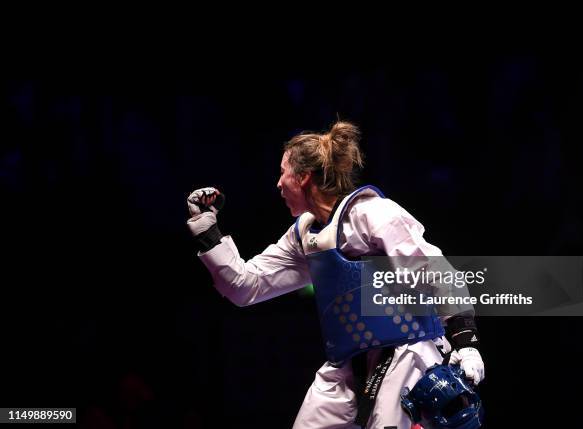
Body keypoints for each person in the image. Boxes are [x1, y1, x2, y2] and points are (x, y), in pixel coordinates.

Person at [186, 122, 485, 428]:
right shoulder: (304, 233)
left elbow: (435, 271)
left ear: (303, 177)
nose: (277, 184)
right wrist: (207, 230)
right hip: (345, 367)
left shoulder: (375, 213)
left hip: (407, 354)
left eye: (283, 172)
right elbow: (244, 286)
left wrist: (466, 342)